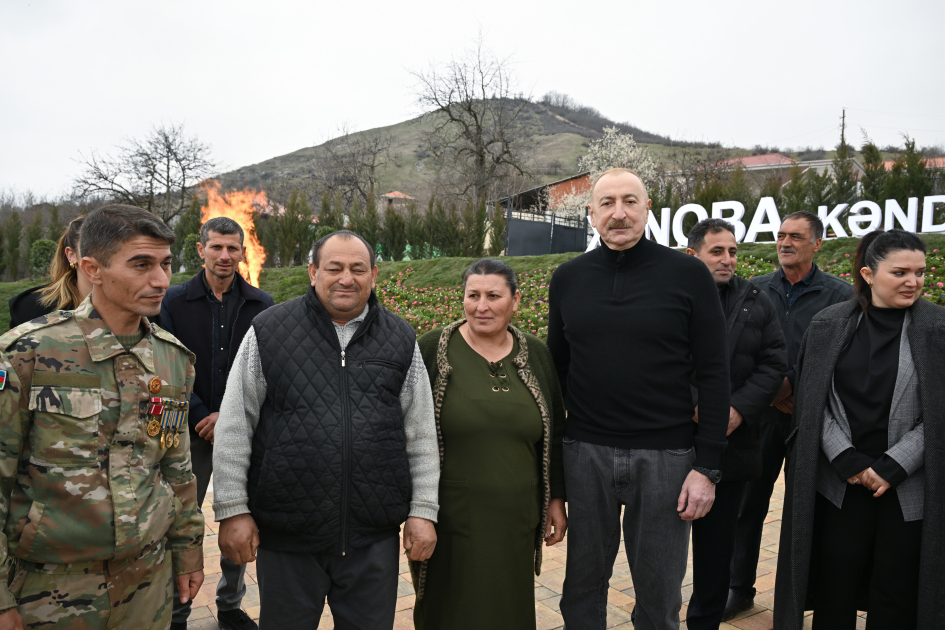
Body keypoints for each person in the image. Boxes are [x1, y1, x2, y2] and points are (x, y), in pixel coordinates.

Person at [212, 229, 440, 630]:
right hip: (288, 536)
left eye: (358, 269)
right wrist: (233, 509)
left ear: (373, 275)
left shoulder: (401, 338)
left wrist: (423, 511)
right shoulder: (268, 331)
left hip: (372, 537)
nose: (346, 278)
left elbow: (420, 432)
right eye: (334, 268)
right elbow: (234, 425)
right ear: (313, 272)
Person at [0, 204, 204, 630]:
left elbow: (176, 466)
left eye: (166, 264)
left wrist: (188, 551)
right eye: (141, 265)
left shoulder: (172, 358)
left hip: (148, 583)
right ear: (92, 268)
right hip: (50, 589)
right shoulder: (28, 353)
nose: (161, 280)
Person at [548, 168, 730, 630]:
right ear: (591, 213)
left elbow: (714, 373)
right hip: (586, 454)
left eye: (630, 201)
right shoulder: (567, 278)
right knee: (582, 588)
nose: (619, 212)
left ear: (648, 208)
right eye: (607, 203)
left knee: (660, 592)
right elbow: (557, 370)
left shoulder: (688, 274)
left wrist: (707, 466)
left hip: (667, 456)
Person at [774, 229, 945, 629]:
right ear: (868, 274)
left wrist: (893, 465)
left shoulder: (938, 329)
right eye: (900, 272)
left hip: (907, 487)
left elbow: (939, 412)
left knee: (896, 593)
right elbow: (814, 403)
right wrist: (847, 459)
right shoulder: (829, 325)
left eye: (920, 272)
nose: (913, 282)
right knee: (835, 589)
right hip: (839, 486)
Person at [412, 258, 567, 630]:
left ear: (515, 301)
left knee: (507, 611)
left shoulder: (537, 353)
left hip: (516, 517)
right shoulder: (433, 349)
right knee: (448, 609)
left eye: (493, 296)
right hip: (449, 518)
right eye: (473, 295)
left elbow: (556, 432)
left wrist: (556, 498)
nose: (482, 306)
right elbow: (409, 429)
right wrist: (415, 511)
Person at [723, 211, 854, 619]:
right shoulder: (755, 291)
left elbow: (842, 358)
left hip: (809, 419)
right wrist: (771, 394)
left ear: (817, 243)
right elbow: (749, 351)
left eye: (796, 236)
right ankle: (738, 587)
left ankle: (798, 597)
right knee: (748, 505)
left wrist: (792, 387)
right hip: (759, 416)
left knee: (803, 511)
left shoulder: (841, 296)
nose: (785, 242)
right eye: (780, 235)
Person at [161, 217, 274, 630]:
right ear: (201, 249)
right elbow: (167, 367)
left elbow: (266, 370)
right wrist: (199, 412)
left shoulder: (262, 305)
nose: (225, 256)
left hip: (242, 432)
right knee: (180, 520)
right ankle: (176, 613)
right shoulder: (172, 303)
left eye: (232, 248)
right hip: (188, 433)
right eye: (217, 247)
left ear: (242, 251)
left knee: (238, 518)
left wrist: (228, 416)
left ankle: (229, 605)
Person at [683, 219, 787, 630]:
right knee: (661, 549)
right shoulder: (670, 296)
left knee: (715, 550)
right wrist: (696, 407)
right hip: (673, 440)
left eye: (733, 251)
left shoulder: (755, 299)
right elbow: (657, 358)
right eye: (717, 252)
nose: (727, 260)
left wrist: (739, 410)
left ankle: (703, 622)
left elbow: (774, 361)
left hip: (734, 443)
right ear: (693, 255)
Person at [8, 216, 92, 329]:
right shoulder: (32, 311)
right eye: (93, 247)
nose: (107, 255)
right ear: (71, 256)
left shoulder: (123, 306)